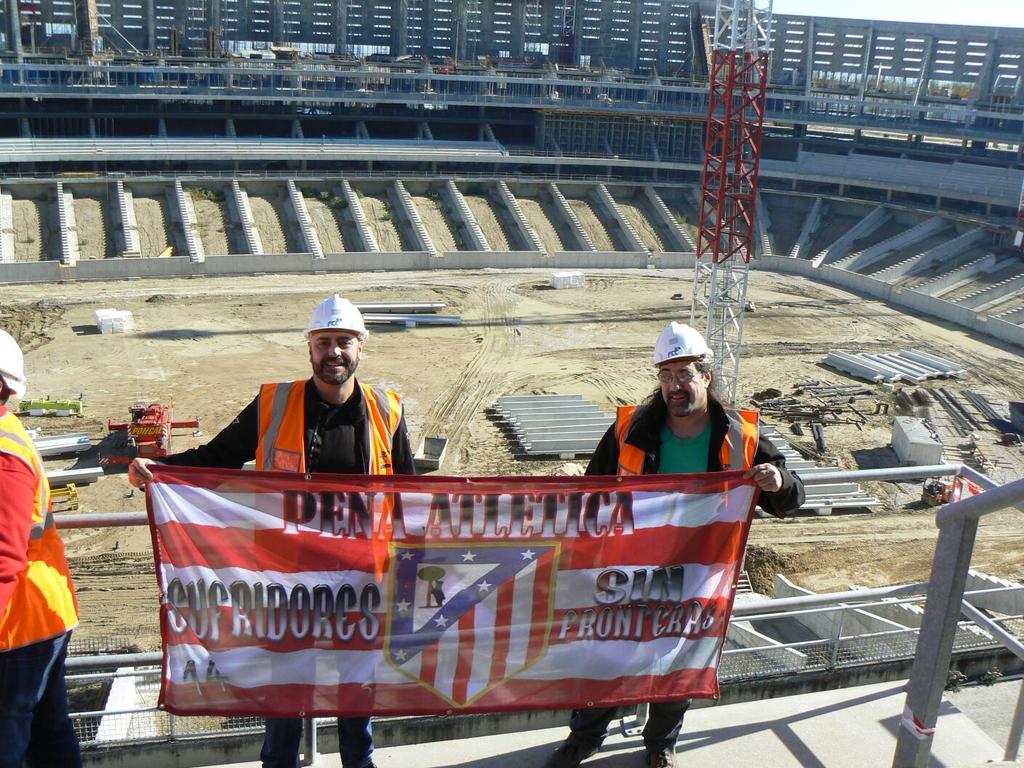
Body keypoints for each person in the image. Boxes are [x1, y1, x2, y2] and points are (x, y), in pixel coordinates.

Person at [129, 295, 414, 768]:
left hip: (362, 581)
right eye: (324, 342)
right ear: (309, 349)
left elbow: (408, 495)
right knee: (284, 692)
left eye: (343, 341)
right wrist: (158, 467)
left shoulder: (388, 410)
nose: (334, 352)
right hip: (287, 580)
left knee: (355, 692)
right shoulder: (274, 403)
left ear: (361, 347)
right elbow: (215, 458)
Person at [544, 321, 805, 768]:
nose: (673, 386)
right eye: (665, 376)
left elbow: (793, 495)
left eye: (683, 374)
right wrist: (574, 486)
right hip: (626, 571)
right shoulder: (630, 429)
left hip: (697, 573)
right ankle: (584, 738)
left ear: (705, 375)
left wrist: (778, 480)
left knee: (676, 657)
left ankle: (660, 745)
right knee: (609, 653)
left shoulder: (740, 433)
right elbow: (595, 491)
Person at [0, 329, 82, 768]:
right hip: (39, 613)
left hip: (19, 622)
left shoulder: (3, 456)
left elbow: (4, 559)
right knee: (49, 734)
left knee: (9, 736)